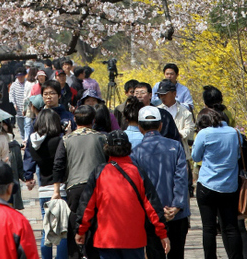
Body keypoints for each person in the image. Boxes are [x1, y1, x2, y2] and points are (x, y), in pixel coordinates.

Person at [75, 130, 170, 259]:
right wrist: (162, 234)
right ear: (128, 148)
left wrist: (81, 230)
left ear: (107, 148)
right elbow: (152, 206)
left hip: (106, 238)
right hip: (134, 239)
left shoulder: (99, 173)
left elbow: (87, 206)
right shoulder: (138, 173)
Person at [130, 106, 190, 259]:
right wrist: (176, 206)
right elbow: (181, 178)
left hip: (151, 215)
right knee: (177, 254)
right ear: (161, 125)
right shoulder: (176, 146)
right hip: (177, 214)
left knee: (154, 253)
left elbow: (138, 187)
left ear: (140, 127)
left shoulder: (135, 152)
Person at [53, 105, 107, 259]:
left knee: (75, 227)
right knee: (96, 227)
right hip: (99, 188)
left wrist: (56, 191)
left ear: (75, 119)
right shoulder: (102, 138)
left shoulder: (66, 139)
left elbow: (58, 165)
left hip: (74, 188)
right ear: (93, 120)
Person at [191, 108, 242, 259]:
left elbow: (195, 156)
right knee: (231, 227)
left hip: (207, 186)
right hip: (229, 186)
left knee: (208, 228)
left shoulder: (204, 134)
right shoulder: (235, 133)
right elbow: (238, 155)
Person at [25, 108, 68, 259]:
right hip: (59, 188)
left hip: (43, 189)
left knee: (46, 228)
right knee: (62, 229)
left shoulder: (33, 141)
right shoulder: (59, 141)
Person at [1, 121, 26, 210]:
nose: (1, 127)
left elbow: (19, 167)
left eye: (4, 124)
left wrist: (27, 179)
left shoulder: (15, 146)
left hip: (11, 187)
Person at [9, 67, 27, 141]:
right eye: (18, 76)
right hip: (18, 110)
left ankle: (26, 140)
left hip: (26, 110)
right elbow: (11, 95)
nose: (20, 78)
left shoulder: (28, 83)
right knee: (20, 127)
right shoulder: (13, 85)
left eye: (22, 76)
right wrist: (14, 104)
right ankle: (23, 140)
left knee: (27, 126)